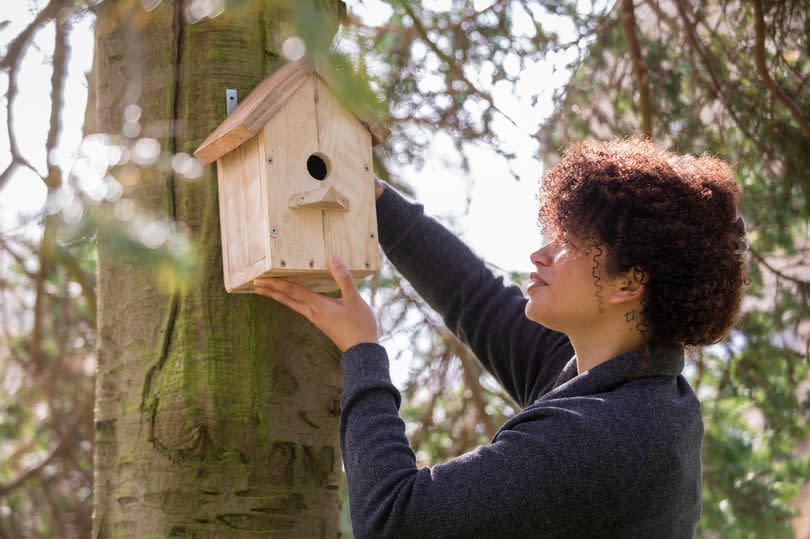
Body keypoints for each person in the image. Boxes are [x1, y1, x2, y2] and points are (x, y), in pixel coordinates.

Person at [253, 137, 751, 538]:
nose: (539, 254)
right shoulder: (622, 383)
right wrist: (370, 195)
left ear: (629, 282)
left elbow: (394, 521)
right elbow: (474, 298)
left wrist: (362, 351)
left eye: (570, 244)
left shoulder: (606, 434)